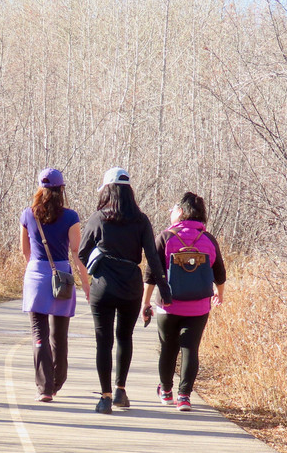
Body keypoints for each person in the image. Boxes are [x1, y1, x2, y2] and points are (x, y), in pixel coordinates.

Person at [79, 167, 171, 414]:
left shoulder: (98, 218)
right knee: (124, 337)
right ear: (129, 192)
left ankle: (105, 397)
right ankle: (120, 391)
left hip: (103, 287)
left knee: (103, 341)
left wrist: (99, 262)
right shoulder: (141, 220)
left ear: (107, 190)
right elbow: (152, 257)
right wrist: (164, 288)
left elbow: (82, 252)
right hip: (131, 287)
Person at [142, 192, 227, 411]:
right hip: (198, 306)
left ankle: (166, 391)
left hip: (168, 305)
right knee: (190, 349)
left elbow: (151, 274)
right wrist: (219, 293)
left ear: (180, 211)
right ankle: (184, 396)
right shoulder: (208, 240)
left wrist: (146, 302)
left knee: (168, 348)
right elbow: (219, 272)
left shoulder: (165, 237)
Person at [20, 168, 91, 402]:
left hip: (35, 276)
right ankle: (57, 381)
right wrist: (86, 284)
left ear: (40, 188)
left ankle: (44, 388)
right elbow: (76, 252)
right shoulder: (71, 217)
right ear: (62, 189)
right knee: (59, 335)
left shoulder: (27, 215)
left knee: (38, 334)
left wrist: (36, 271)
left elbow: (25, 251)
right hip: (61, 277)